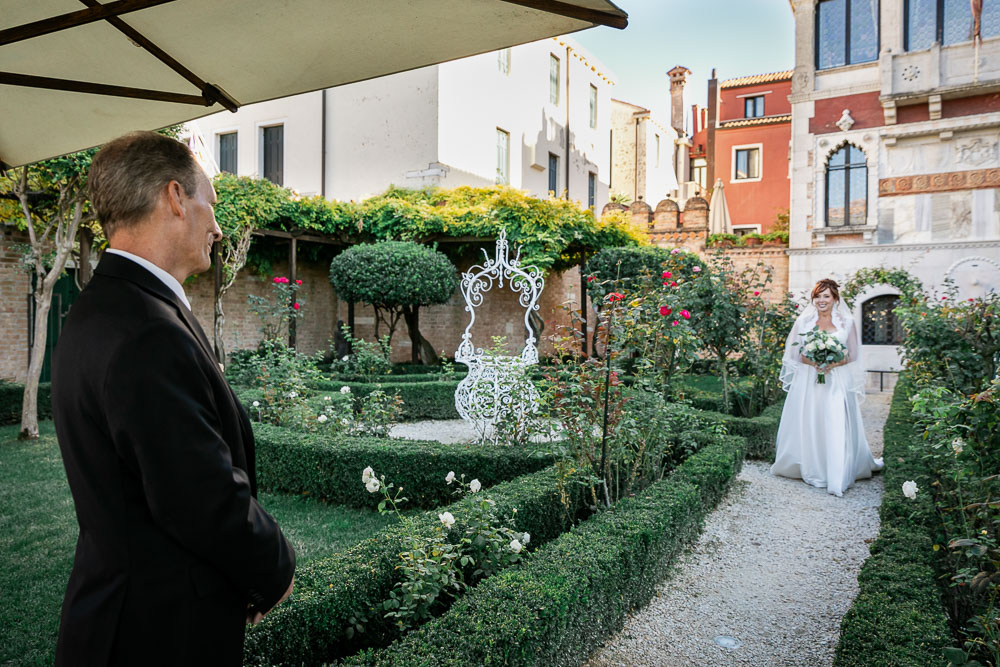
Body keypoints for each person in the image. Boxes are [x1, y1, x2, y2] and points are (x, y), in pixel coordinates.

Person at [51, 131, 295, 666]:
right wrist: (274, 569)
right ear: (175, 198)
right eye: (210, 201)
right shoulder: (146, 329)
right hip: (156, 632)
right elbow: (199, 497)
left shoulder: (101, 308)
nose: (218, 224)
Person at [770, 278, 883, 496]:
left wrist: (833, 362)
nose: (822, 300)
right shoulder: (803, 322)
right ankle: (813, 466)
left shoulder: (847, 322)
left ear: (835, 299)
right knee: (811, 420)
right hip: (809, 382)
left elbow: (853, 354)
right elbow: (794, 353)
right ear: (813, 299)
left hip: (836, 381)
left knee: (835, 419)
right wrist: (814, 362)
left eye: (826, 296)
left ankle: (836, 470)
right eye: (818, 296)